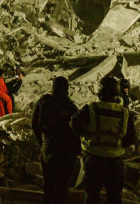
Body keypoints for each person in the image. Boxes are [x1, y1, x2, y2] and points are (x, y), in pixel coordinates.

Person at [71, 76, 137, 204]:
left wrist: (85, 135)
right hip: (115, 161)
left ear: (100, 92)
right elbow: (131, 138)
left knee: (91, 196)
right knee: (114, 197)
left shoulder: (91, 108)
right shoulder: (124, 113)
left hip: (93, 159)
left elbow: (74, 123)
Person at [31, 76, 81, 204]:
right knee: (62, 185)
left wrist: (41, 143)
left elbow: (34, 125)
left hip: (49, 147)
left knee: (49, 182)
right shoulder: (71, 106)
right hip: (66, 150)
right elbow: (77, 131)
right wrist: (76, 150)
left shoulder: (44, 102)